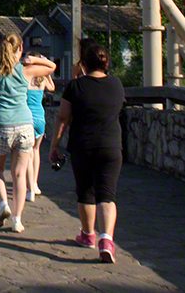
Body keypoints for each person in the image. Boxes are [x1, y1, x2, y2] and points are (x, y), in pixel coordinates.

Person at [0, 33, 56, 233]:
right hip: (25, 126)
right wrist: (35, 59)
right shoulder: (27, 70)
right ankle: (17, 219)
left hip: (0, 125)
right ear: (21, 49)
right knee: (19, 174)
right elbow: (52, 67)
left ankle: (3, 205)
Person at [49, 40, 124, 263]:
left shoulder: (75, 86)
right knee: (107, 195)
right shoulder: (117, 84)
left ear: (83, 63)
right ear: (106, 62)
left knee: (86, 192)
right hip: (111, 146)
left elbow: (62, 118)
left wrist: (54, 146)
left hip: (83, 146)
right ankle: (107, 240)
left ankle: (88, 234)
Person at [24, 52, 55, 202]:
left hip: (27, 117)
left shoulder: (26, 76)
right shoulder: (42, 80)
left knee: (28, 153)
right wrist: (46, 71)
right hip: (40, 116)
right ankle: (35, 183)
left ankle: (30, 189)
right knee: (36, 151)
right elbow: (53, 88)